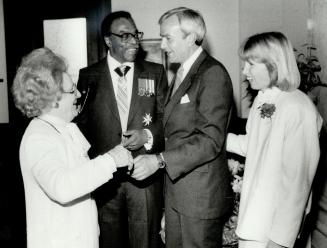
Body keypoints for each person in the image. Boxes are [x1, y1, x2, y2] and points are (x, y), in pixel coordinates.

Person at [131, 7, 234, 248]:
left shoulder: (212, 73)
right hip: (178, 193)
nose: (163, 46)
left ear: (190, 37)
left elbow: (210, 140)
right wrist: (146, 134)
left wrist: (158, 160)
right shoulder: (181, 72)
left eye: (168, 38)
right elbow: (173, 126)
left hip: (199, 200)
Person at [11, 47, 132, 248]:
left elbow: (81, 179)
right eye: (71, 89)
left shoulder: (64, 128)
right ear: (53, 99)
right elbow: (62, 187)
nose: (77, 94)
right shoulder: (38, 138)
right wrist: (110, 160)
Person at [75, 11, 168, 248]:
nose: (134, 41)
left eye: (135, 35)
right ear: (108, 40)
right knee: (108, 241)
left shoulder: (155, 73)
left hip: (144, 178)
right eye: (125, 36)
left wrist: (147, 137)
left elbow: (166, 119)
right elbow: (80, 127)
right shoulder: (88, 76)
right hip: (105, 179)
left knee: (146, 241)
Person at [226, 32, 322, 248]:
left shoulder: (298, 107)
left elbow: (297, 184)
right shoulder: (264, 98)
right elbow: (252, 147)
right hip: (254, 221)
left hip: (273, 232)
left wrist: (278, 241)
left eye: (250, 64)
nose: (244, 71)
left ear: (273, 65)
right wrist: (214, 138)